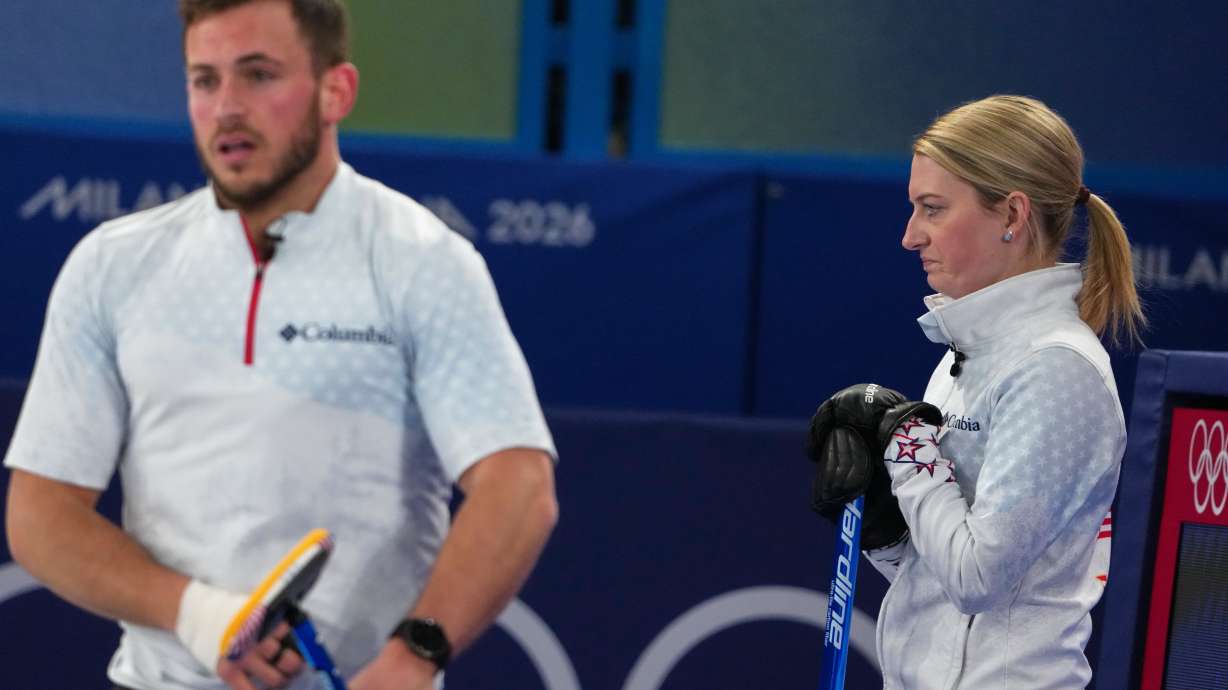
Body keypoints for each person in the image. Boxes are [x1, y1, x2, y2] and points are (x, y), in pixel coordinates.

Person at [3, 1, 558, 689]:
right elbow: (40, 515)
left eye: (258, 75)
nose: (227, 107)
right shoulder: (111, 266)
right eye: (204, 81)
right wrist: (201, 615)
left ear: (337, 91)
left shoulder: (423, 262)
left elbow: (518, 486)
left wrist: (413, 656)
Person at [806, 94, 1143, 689]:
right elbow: (940, 581)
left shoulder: (1055, 369)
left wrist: (905, 447)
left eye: (932, 209)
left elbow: (979, 581)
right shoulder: (970, 354)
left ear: (1012, 213)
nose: (911, 236)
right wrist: (887, 531)